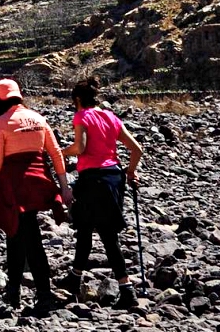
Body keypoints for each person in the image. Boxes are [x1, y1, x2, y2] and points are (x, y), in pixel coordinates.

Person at [0, 78, 71, 315]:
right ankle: (13, 293)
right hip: (38, 183)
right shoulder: (39, 119)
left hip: (14, 187)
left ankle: (44, 295)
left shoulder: (0, 123)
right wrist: (64, 187)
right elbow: (55, 155)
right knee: (15, 234)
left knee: (29, 238)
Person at [61, 78, 144, 310]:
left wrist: (61, 153)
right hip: (114, 178)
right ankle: (80, 278)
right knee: (102, 232)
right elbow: (136, 149)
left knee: (89, 230)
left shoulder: (82, 116)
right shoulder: (111, 117)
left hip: (92, 179)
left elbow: (81, 148)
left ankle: (121, 289)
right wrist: (130, 172)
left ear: (77, 100)